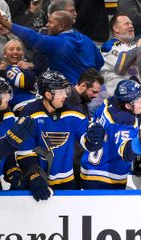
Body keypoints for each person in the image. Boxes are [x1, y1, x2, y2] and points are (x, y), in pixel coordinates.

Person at [13, 71, 106, 199]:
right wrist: (34, 176)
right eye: (61, 92)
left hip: (67, 181)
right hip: (37, 181)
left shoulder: (74, 112)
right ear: (48, 94)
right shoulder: (30, 112)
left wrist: (94, 139)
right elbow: (24, 151)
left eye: (66, 91)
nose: (65, 96)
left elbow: (87, 142)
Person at [0, 6, 103, 84]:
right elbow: (100, 61)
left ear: (61, 26)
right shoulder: (86, 39)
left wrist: (4, 22)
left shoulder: (58, 43)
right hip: (93, 89)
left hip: (73, 92)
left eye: (50, 22)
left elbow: (32, 36)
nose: (47, 25)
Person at [80, 80, 141, 189]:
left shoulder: (108, 103)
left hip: (88, 168)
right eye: (139, 101)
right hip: (107, 177)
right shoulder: (125, 121)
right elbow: (127, 153)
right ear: (128, 105)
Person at [100, 14, 137, 96]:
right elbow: (120, 67)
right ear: (116, 29)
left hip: (136, 96)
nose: (131, 26)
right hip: (116, 98)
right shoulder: (109, 46)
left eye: (131, 24)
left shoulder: (133, 46)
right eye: (126, 24)